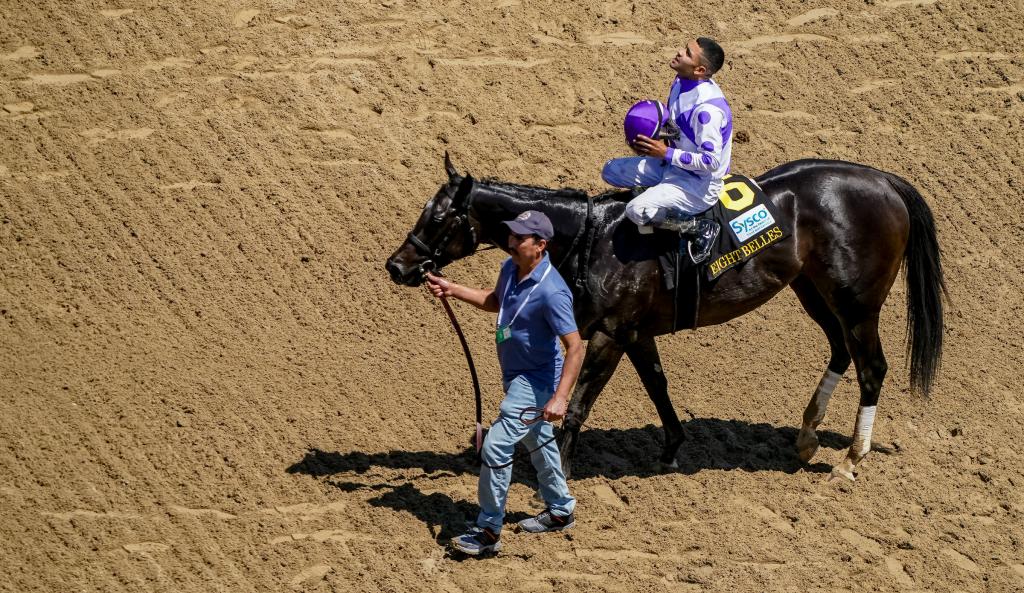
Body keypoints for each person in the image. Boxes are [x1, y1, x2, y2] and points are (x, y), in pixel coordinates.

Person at [424, 210, 584, 556]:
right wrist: (452, 289)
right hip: (515, 374)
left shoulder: (553, 292)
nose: (511, 242)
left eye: (520, 238)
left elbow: (575, 346)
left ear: (540, 245)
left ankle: (487, 530)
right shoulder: (509, 268)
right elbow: (496, 302)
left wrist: (560, 398)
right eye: (511, 236)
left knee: (496, 446)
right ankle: (560, 509)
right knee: (536, 438)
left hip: (537, 380)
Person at [602, 37, 732, 262]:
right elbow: (678, 126)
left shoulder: (707, 111)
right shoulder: (681, 80)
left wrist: (666, 153)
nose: (680, 52)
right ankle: (660, 195)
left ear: (700, 70)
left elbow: (712, 162)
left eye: (688, 53)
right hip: (672, 166)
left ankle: (697, 227)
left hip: (698, 185)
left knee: (636, 210)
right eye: (685, 47)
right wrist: (652, 119)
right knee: (610, 171)